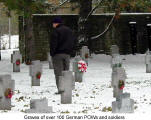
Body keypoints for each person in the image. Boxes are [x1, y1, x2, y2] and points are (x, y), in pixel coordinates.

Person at [50, 17, 75, 94]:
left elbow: (53, 44)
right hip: (67, 55)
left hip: (57, 55)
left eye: (53, 23)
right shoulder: (69, 31)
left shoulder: (56, 31)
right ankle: (67, 88)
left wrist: (52, 53)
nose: (52, 25)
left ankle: (61, 89)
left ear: (56, 23)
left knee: (59, 73)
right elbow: (73, 42)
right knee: (66, 72)